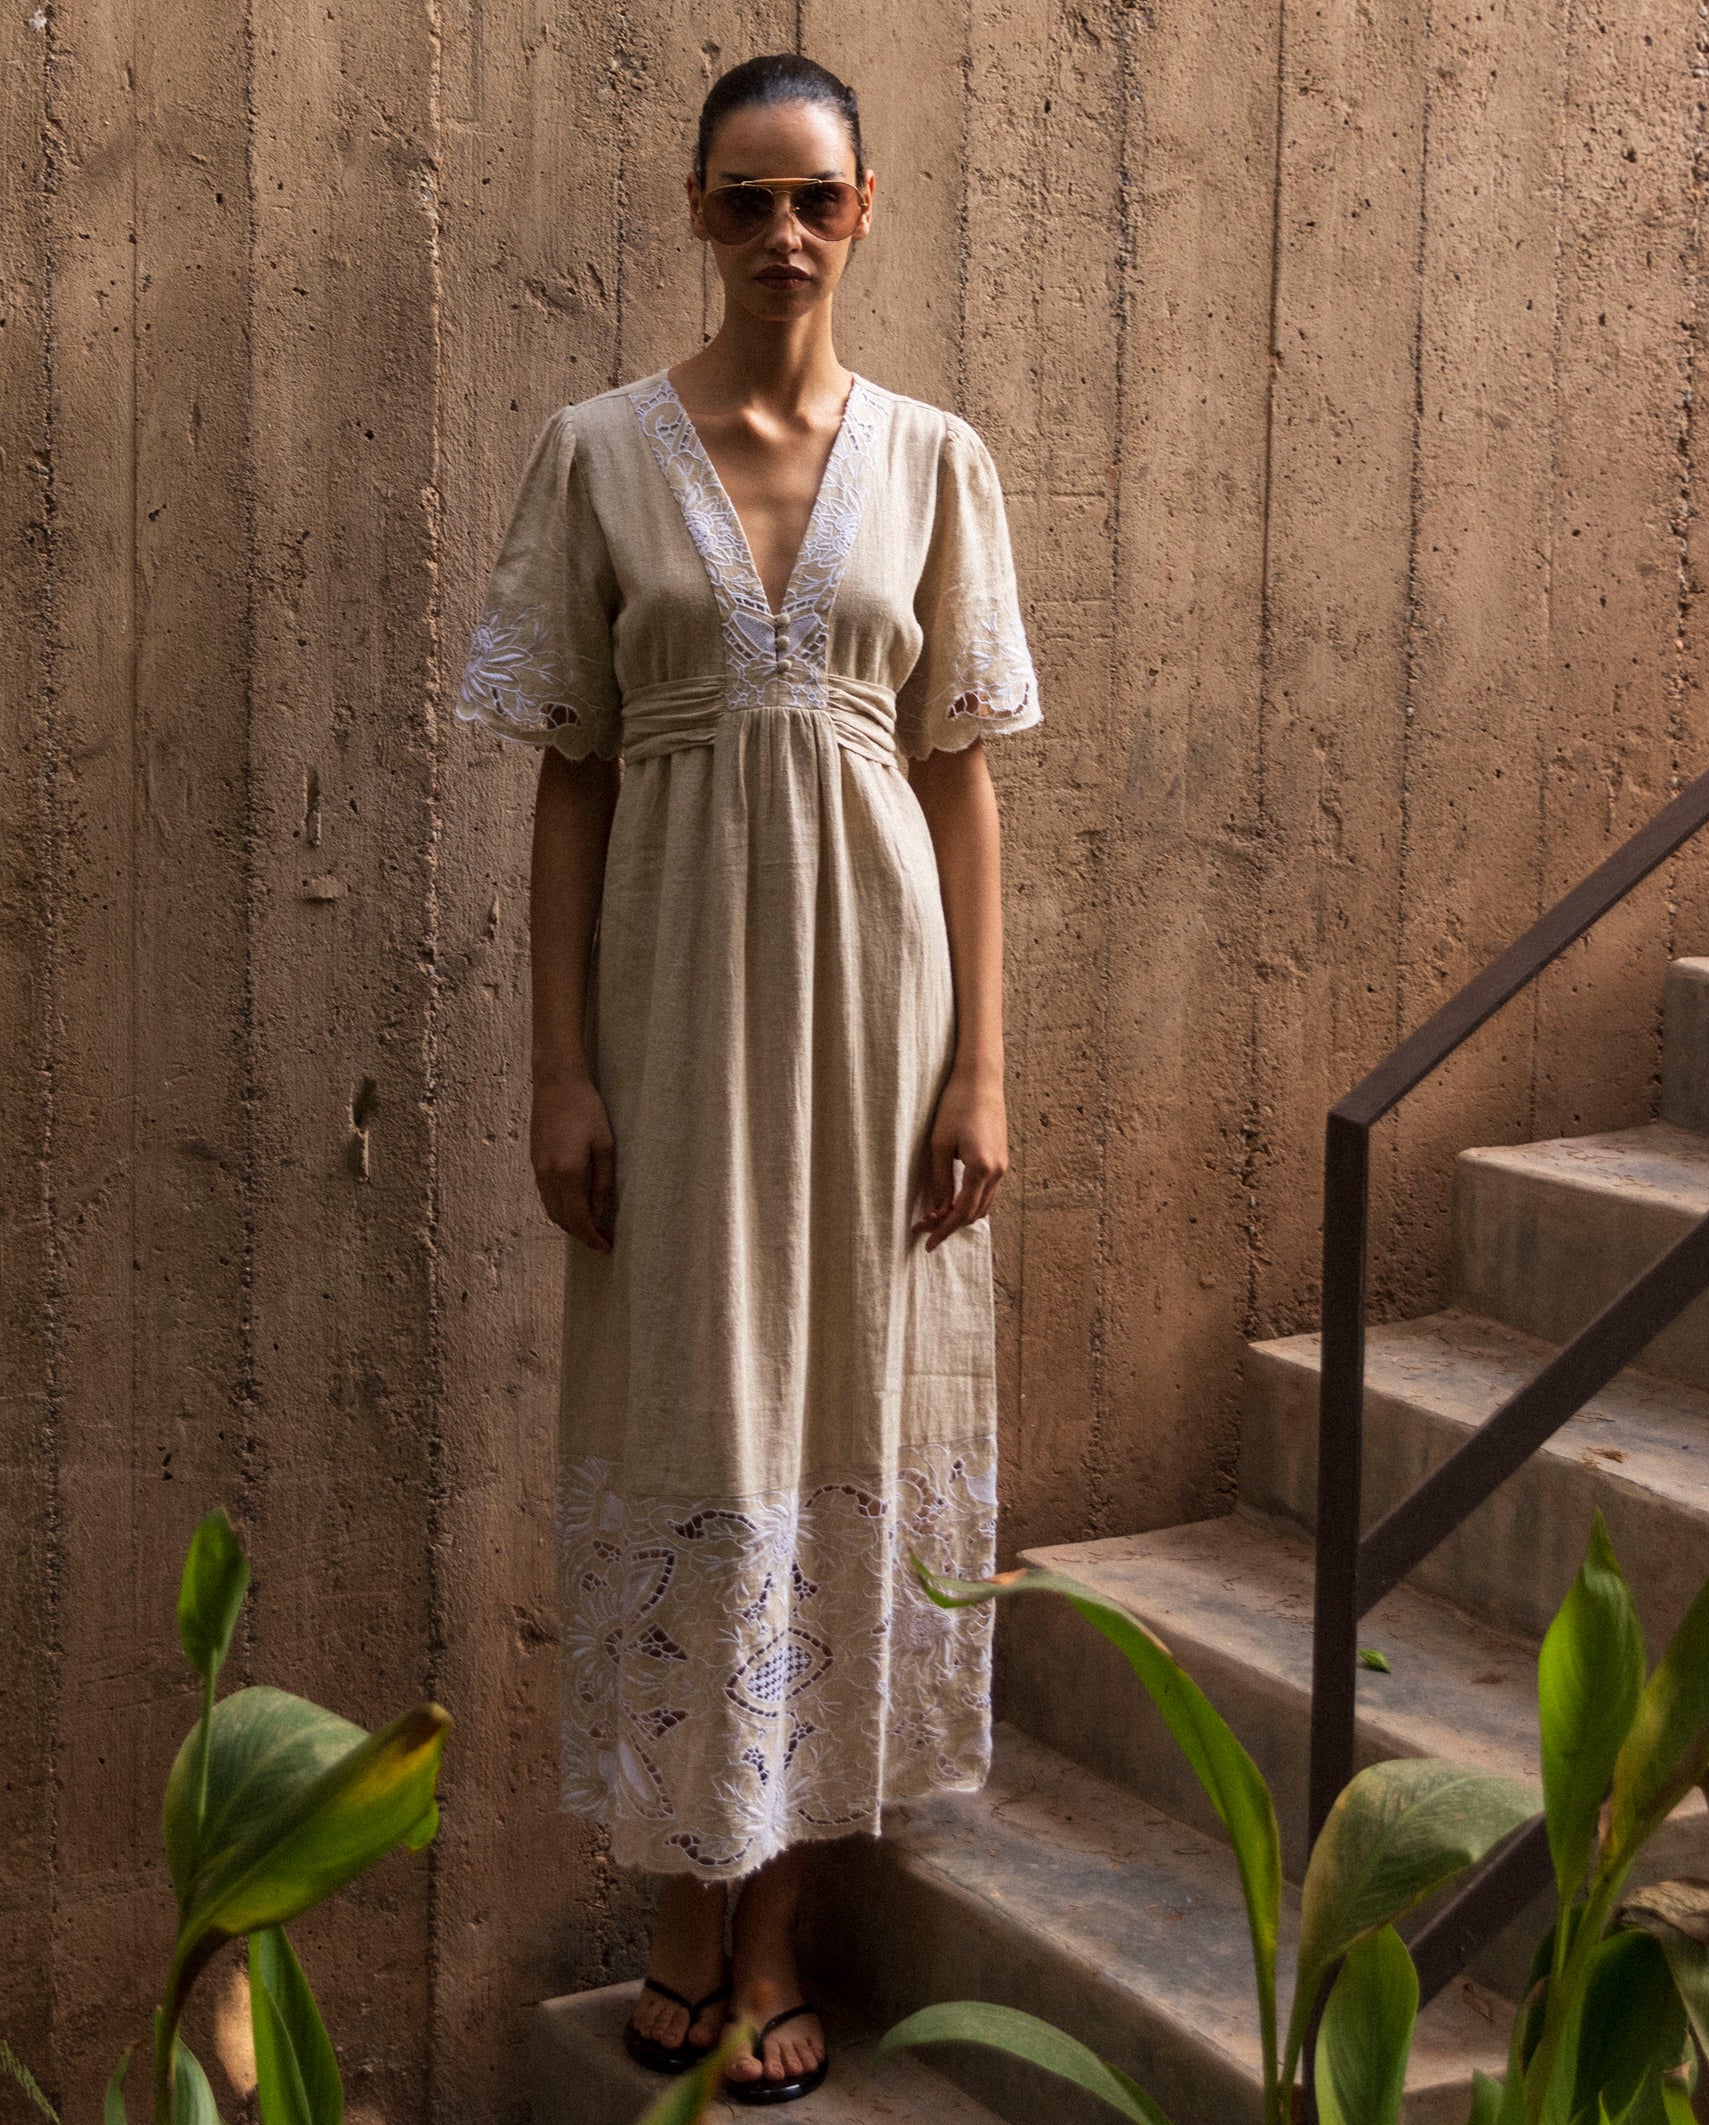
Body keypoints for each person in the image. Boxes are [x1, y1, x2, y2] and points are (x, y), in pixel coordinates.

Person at [456, 52, 1040, 2102]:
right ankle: (679, 1898)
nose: (778, 232)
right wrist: (560, 1069)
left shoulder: (938, 461)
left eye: (811, 196)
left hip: (878, 1017)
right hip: (671, 1013)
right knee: (689, 1418)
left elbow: (957, 778)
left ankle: (772, 1923)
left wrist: (978, 1064)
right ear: (694, 213)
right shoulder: (594, 455)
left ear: (861, 208)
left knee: (844, 1413)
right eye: (740, 198)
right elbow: (571, 775)